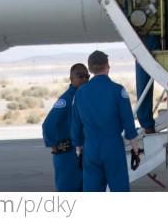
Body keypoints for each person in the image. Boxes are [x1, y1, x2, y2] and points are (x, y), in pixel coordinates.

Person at [71, 49, 141, 193]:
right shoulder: (118, 91)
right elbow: (129, 124)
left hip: (90, 149)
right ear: (107, 66)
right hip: (113, 147)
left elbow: (76, 126)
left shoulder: (80, 93)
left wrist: (79, 151)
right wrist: (136, 151)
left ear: (90, 69)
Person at [42, 62, 89, 191]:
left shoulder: (84, 97)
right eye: (80, 76)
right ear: (71, 78)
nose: (84, 79)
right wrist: (55, 147)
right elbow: (48, 124)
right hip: (68, 156)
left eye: (86, 76)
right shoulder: (66, 99)